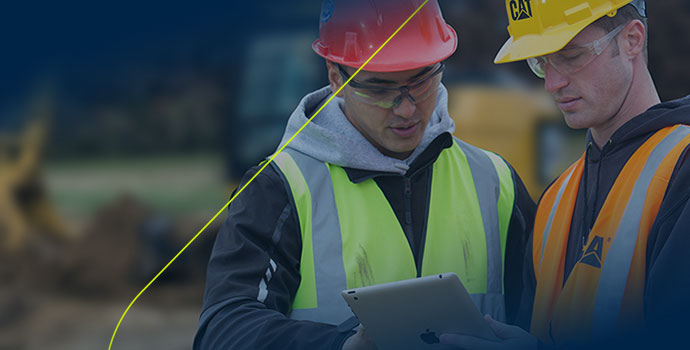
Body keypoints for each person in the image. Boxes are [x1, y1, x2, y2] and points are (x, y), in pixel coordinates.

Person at [193, 1, 535, 349]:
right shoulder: (279, 188)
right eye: (379, 88)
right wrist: (339, 345)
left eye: (420, 82)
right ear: (334, 77)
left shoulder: (495, 181)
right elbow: (223, 331)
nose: (405, 108)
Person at [441, 0, 690, 349]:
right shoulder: (555, 199)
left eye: (571, 56)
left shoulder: (681, 169)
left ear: (632, 40)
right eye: (541, 63)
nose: (552, 83)